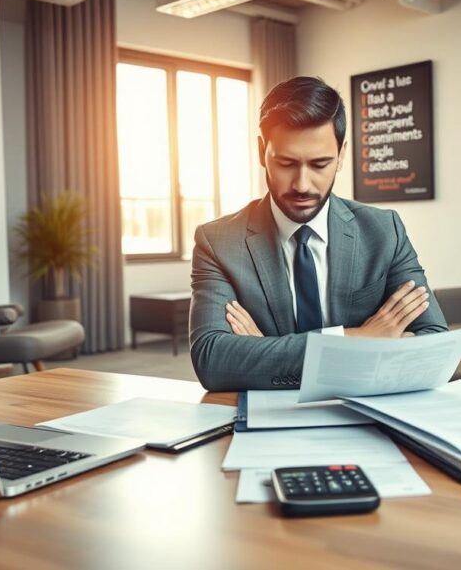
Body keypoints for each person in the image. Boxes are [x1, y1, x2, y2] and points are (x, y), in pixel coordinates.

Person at [189, 76, 447, 391]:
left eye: (320, 164)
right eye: (285, 163)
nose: (302, 184)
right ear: (261, 152)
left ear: (341, 155)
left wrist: (268, 349)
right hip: (266, 424)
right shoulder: (218, 242)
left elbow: (433, 346)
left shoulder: (384, 231)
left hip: (367, 418)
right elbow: (213, 361)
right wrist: (356, 339)